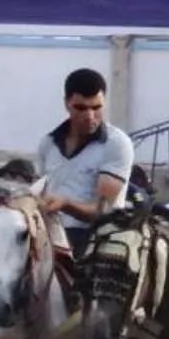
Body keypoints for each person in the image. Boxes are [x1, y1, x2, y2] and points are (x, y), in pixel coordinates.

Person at [35, 67, 134, 252]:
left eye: (96, 108)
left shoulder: (116, 144)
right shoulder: (47, 143)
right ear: (67, 104)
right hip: (51, 235)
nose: (90, 116)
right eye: (81, 108)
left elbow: (103, 211)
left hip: (97, 240)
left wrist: (66, 204)